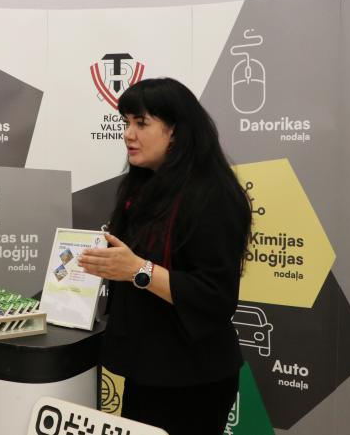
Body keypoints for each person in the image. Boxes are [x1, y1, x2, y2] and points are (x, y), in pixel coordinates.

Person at [78, 78, 251, 435]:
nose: (128, 134)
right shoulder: (143, 187)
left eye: (141, 123)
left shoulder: (213, 195)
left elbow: (215, 296)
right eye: (126, 122)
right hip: (147, 371)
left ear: (175, 132)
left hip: (193, 380)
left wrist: (138, 270)